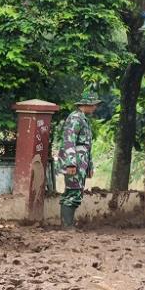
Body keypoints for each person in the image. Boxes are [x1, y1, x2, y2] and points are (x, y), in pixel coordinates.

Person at [58, 91, 100, 228]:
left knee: (77, 191)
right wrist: (70, 163)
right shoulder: (75, 118)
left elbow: (87, 146)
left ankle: (68, 224)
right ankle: (67, 225)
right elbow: (69, 140)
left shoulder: (83, 119)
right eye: (94, 104)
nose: (95, 107)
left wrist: (89, 166)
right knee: (72, 191)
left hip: (81, 161)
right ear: (87, 104)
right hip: (74, 161)